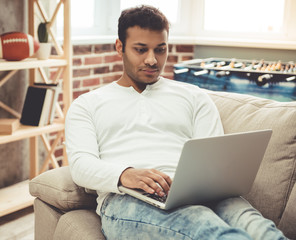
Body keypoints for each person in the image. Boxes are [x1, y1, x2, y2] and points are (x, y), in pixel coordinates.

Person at [65, 5, 287, 240]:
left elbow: (214, 156)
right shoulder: (87, 105)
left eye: (160, 50)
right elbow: (80, 165)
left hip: (203, 194)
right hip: (129, 199)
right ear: (120, 47)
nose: (152, 60)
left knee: (262, 231)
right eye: (140, 50)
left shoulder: (194, 96)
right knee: (213, 232)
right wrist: (125, 174)